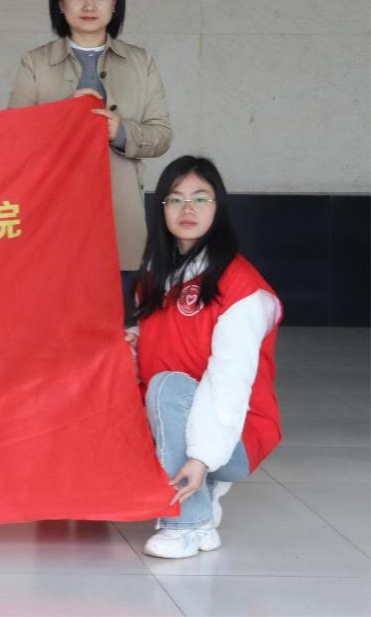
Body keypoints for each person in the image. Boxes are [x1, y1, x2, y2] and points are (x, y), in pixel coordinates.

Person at [7, 0, 171, 324]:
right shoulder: (35, 62)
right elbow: (13, 137)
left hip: (120, 214)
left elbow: (162, 134)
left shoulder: (140, 62)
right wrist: (65, 119)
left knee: (120, 326)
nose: (88, 6)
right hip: (52, 214)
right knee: (54, 326)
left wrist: (121, 131)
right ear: (60, 5)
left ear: (115, 3)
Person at [134, 155, 282, 558]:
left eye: (200, 198)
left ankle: (188, 523)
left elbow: (229, 381)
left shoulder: (241, 287)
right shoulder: (156, 275)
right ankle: (205, 490)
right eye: (175, 199)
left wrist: (201, 458)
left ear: (218, 208)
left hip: (235, 432)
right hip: (181, 418)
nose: (188, 209)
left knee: (166, 386)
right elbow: (160, 341)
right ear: (161, 208)